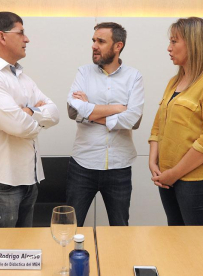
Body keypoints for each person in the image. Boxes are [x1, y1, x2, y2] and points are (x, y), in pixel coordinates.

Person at [0, 12, 60, 228]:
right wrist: (33, 117)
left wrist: (28, 112)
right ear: (2, 37)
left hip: (29, 178)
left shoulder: (22, 77)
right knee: (0, 256)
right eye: (21, 32)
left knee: (22, 255)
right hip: (0, 181)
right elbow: (17, 125)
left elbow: (54, 114)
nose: (27, 39)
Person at [148, 17, 203, 226]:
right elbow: (158, 126)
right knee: (176, 240)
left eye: (174, 42)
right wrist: (153, 162)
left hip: (197, 180)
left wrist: (174, 174)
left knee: (198, 246)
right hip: (167, 177)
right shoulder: (174, 81)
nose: (169, 48)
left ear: (194, 43)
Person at [66, 22, 144, 227]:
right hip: (83, 164)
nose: (94, 45)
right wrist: (119, 108)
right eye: (93, 40)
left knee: (120, 228)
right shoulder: (83, 73)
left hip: (120, 166)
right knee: (71, 227)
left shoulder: (134, 77)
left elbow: (133, 120)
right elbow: (73, 110)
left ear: (118, 46)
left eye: (101, 41)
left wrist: (90, 110)